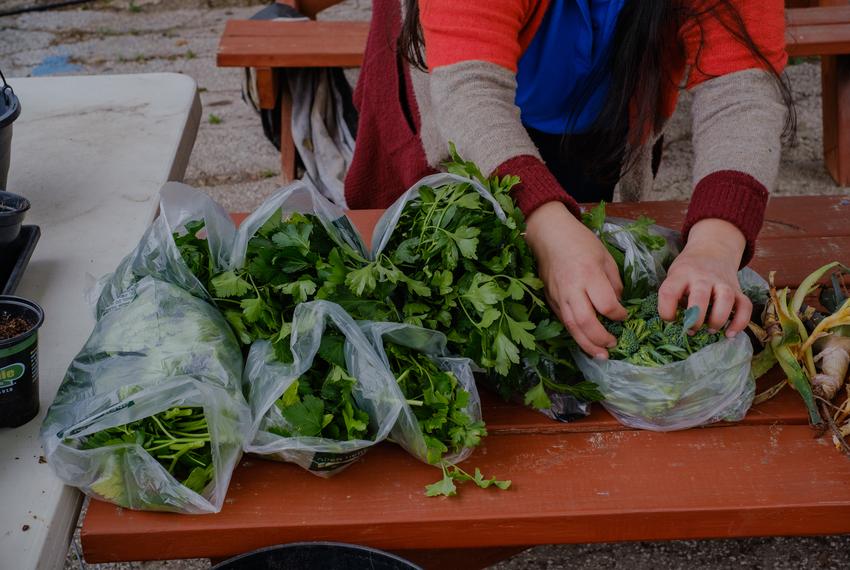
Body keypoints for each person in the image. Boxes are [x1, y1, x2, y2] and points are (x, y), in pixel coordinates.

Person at [343, 0, 792, 359]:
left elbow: (741, 86)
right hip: (460, 87)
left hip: (600, 106)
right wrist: (545, 223)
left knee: (588, 259)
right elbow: (469, 88)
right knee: (438, 266)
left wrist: (715, 246)